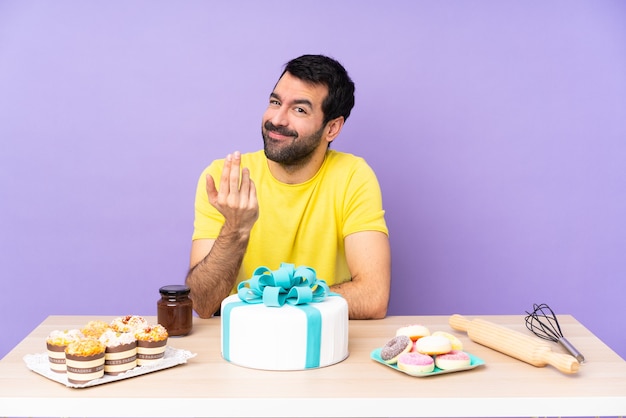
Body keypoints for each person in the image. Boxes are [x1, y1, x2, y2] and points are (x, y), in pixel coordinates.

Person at [185, 54, 390, 320]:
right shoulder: (225, 177)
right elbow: (202, 303)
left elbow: (373, 297)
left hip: (321, 343)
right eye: (275, 102)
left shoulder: (353, 176)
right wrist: (235, 230)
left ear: (332, 128)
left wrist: (278, 303)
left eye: (300, 109)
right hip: (243, 344)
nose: (277, 119)